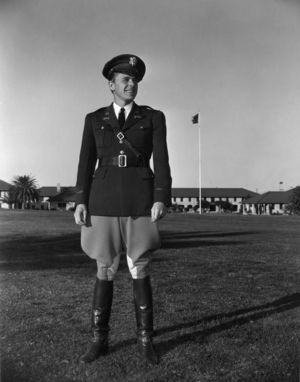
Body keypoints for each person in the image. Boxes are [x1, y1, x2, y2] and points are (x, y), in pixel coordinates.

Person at [74, 54, 172, 365]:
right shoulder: (94, 119)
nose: (132, 84)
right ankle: (98, 340)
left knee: (139, 267)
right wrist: (80, 200)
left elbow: (162, 160)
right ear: (111, 84)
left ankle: (146, 340)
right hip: (102, 200)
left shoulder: (152, 117)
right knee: (104, 269)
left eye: (135, 79)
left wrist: (161, 197)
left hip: (140, 199)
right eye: (126, 79)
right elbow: (86, 162)